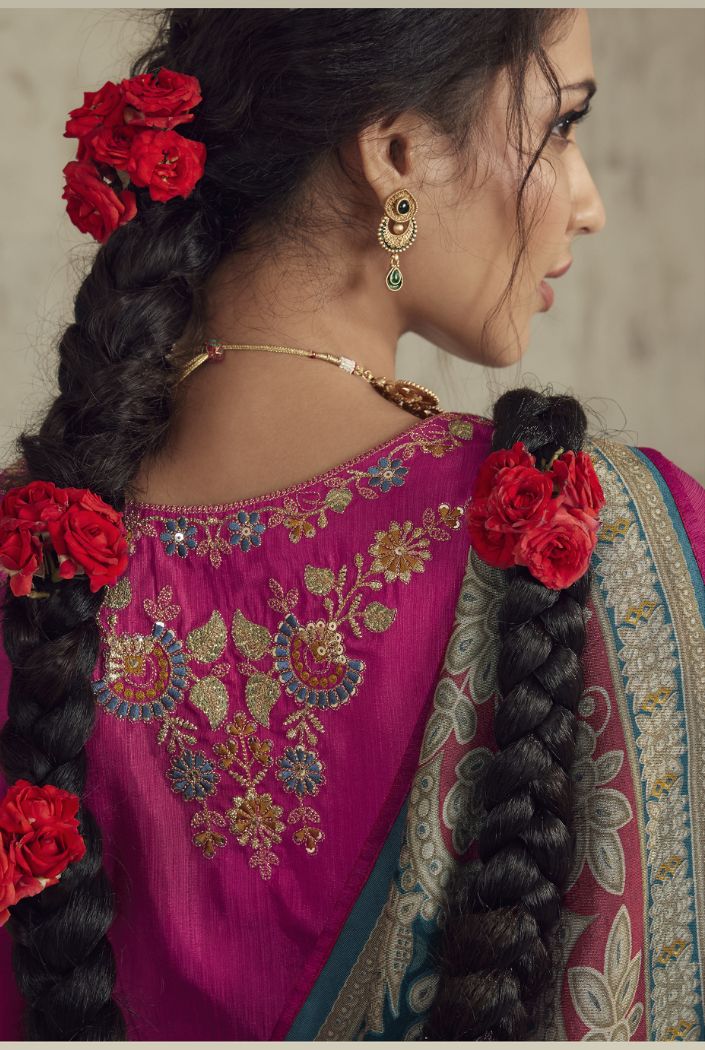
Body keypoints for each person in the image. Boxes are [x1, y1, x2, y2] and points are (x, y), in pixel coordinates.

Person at [0, 7, 703, 1042]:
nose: (588, 204)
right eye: (559, 127)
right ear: (398, 150)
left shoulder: (33, 562)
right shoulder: (617, 536)